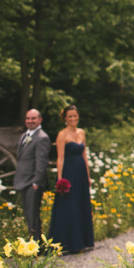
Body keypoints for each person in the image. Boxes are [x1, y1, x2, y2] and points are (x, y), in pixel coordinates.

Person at [48, 105, 94, 253]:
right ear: (65, 119)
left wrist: (88, 176)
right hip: (69, 171)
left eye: (75, 116)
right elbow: (60, 158)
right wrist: (60, 179)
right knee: (69, 206)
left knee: (81, 203)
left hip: (80, 171)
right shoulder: (62, 135)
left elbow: (84, 155)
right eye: (70, 116)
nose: (73, 119)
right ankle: (68, 243)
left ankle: (84, 241)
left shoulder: (81, 133)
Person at [13, 108, 51, 244]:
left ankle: (37, 246)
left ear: (40, 120)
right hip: (23, 181)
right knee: (28, 215)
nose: (30, 121)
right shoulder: (24, 135)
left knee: (33, 214)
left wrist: (36, 182)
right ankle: (32, 243)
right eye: (28, 118)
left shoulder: (42, 137)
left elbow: (42, 163)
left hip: (33, 183)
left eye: (33, 118)